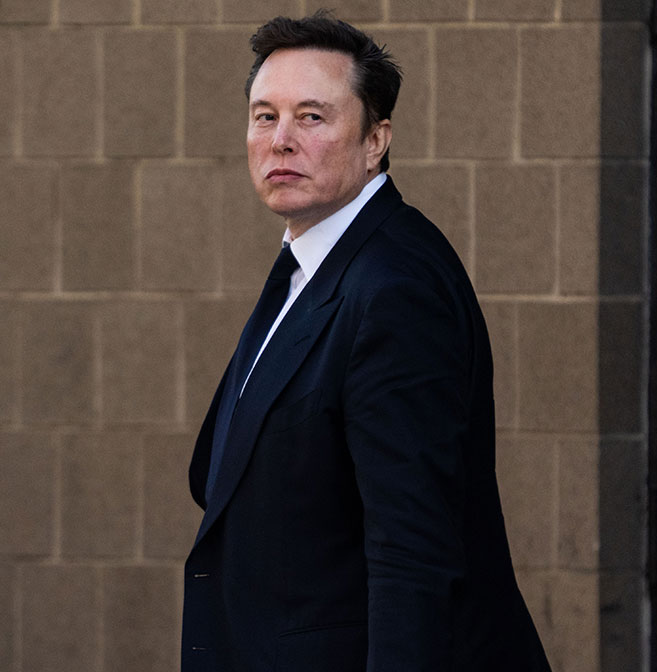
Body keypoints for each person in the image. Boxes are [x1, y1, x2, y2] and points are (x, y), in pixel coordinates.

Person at [182, 12, 551, 672]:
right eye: (265, 116)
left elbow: (412, 552)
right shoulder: (315, 263)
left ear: (376, 139)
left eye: (312, 117)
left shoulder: (393, 286)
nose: (281, 141)